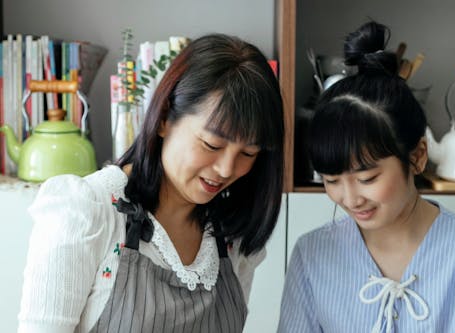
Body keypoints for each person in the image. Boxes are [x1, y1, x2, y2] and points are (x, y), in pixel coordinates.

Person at [18, 33, 284, 333]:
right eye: (211, 145)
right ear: (164, 119)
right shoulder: (88, 211)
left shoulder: (233, 237)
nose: (226, 169)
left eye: (248, 152)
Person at [278, 21, 455, 333]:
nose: (350, 198)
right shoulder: (312, 255)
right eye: (331, 180)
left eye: (367, 178)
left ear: (417, 156)